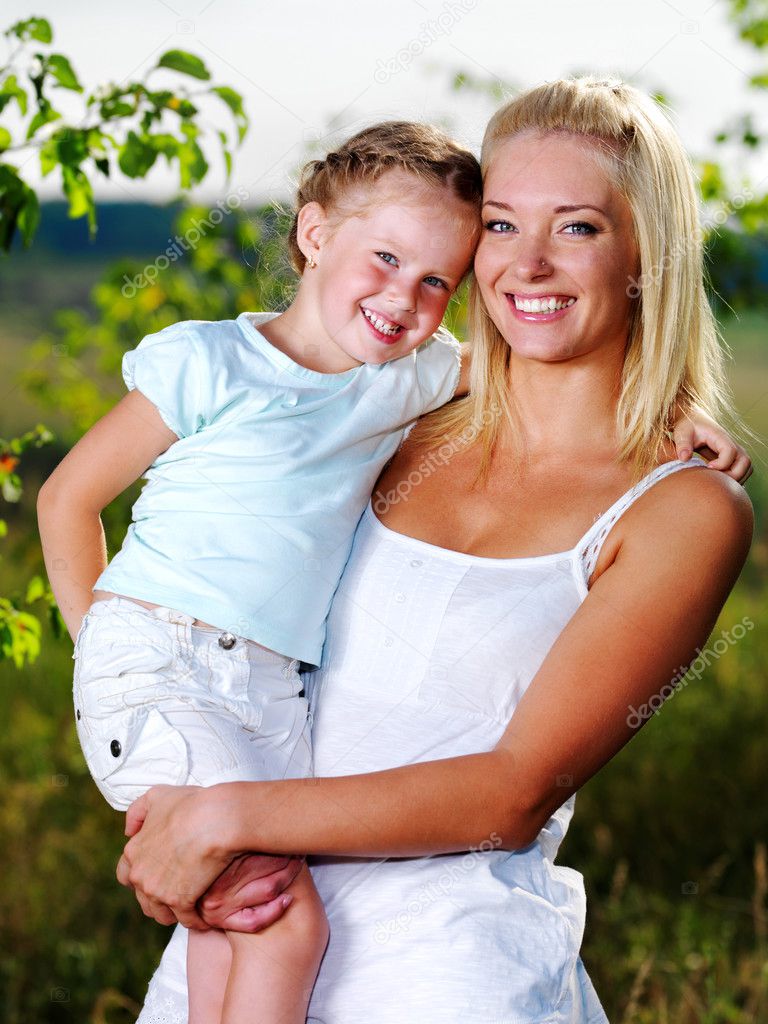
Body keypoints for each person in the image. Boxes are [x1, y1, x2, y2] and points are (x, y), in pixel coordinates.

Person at [117, 77, 754, 1023]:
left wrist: (217, 818)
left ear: (643, 256)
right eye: (500, 225)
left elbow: (512, 792)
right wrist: (164, 776)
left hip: (452, 973)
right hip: (245, 935)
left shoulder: (683, 510)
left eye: (577, 228)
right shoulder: (399, 418)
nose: (527, 265)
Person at [36, 122, 488, 1024]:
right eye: (386, 257)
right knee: (285, 923)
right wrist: (108, 652)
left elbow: (563, 386)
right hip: (160, 663)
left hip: (274, 690)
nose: (404, 297)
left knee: (228, 921)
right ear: (316, 236)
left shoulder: (406, 378)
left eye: (437, 281)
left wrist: (674, 424)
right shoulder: (209, 363)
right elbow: (66, 500)